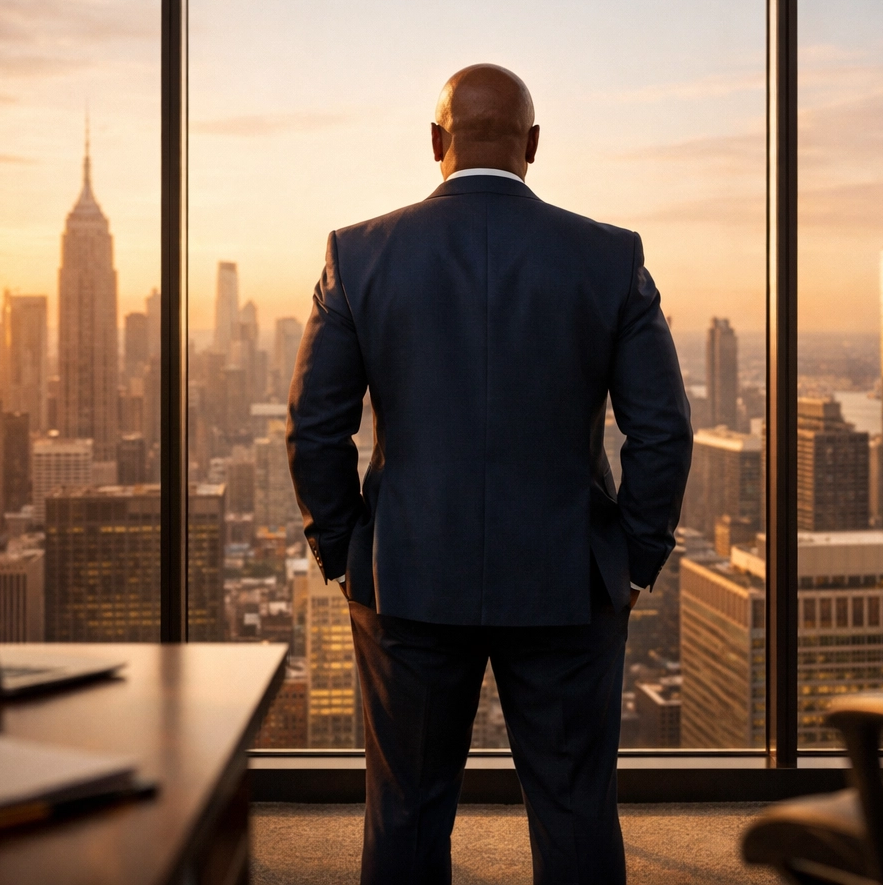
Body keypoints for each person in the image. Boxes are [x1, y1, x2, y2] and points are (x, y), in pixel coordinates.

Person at [287, 63, 693, 885]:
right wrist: (632, 561)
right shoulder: (609, 257)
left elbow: (314, 428)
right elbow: (663, 431)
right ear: (533, 145)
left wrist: (347, 551)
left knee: (404, 811)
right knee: (575, 809)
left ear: (436, 140)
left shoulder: (358, 255)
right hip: (567, 583)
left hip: (406, 579)